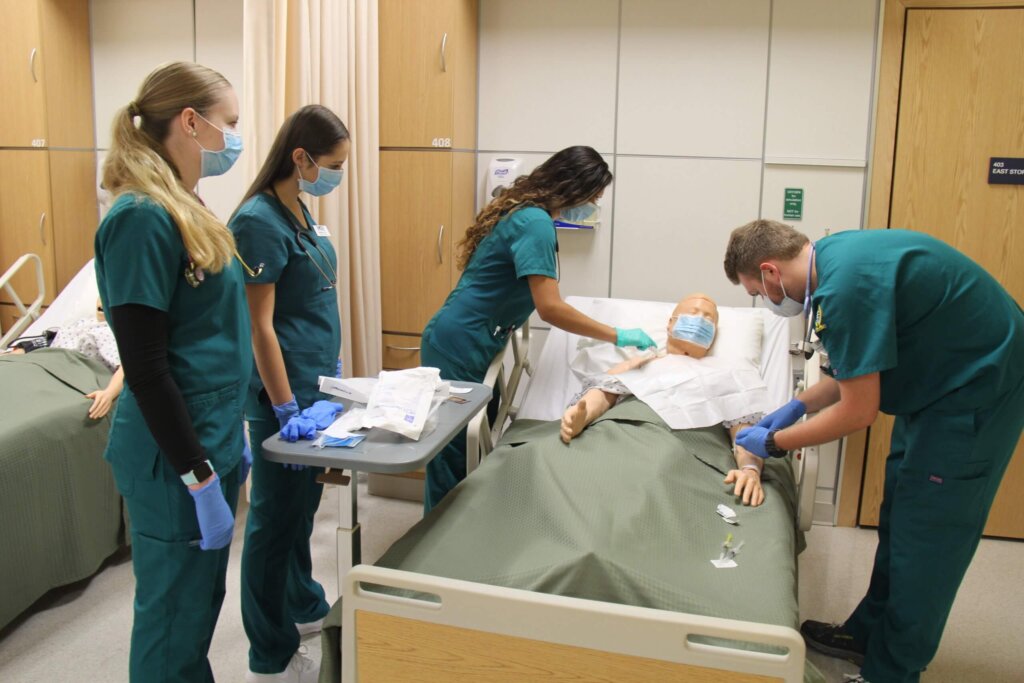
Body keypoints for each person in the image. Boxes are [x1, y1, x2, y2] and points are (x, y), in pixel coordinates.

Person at [723, 220, 1024, 683]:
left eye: (756, 291)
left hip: (977, 389)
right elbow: (850, 373)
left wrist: (775, 442)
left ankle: (892, 670)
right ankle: (865, 635)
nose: (765, 299)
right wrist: (794, 407)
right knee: (899, 512)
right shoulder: (833, 258)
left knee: (927, 539)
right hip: (938, 383)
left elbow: (858, 411)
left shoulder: (844, 289)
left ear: (769, 272)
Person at [93, 61, 253, 682]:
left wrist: (230, 434)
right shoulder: (140, 218)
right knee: (171, 626)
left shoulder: (186, 206)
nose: (234, 138)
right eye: (228, 123)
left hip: (210, 438)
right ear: (191, 122)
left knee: (197, 611)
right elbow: (146, 365)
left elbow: (209, 335)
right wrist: (196, 473)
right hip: (173, 463)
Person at [421, 145, 657, 510]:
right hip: (459, 342)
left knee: (471, 448)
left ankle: (460, 529)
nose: (594, 205)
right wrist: (618, 334)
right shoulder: (535, 224)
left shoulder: (528, 214)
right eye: (593, 196)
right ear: (573, 187)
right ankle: (434, 542)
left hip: (473, 338)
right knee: (451, 457)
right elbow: (550, 308)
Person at [229, 104, 349, 683]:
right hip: (284, 398)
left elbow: (313, 295)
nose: (338, 175)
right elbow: (259, 327)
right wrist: (283, 407)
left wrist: (331, 372)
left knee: (302, 510)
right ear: (301, 157)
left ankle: (301, 603)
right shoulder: (256, 220)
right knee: (274, 521)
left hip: (314, 386)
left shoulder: (299, 207)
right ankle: (269, 653)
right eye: (334, 165)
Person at [560, 293, 766, 506]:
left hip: (679, 451)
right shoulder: (641, 363)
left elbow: (744, 432)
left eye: (709, 319)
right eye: (693, 313)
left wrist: (750, 470)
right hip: (620, 436)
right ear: (670, 324)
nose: (700, 321)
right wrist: (583, 415)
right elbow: (603, 394)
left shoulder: (727, 373)